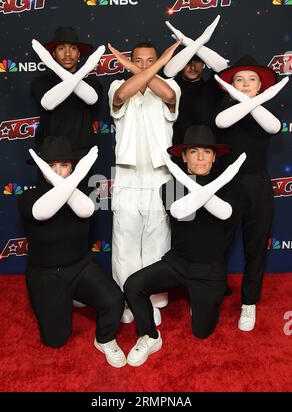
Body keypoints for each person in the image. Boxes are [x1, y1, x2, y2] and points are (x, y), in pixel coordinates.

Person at [123, 125, 246, 367]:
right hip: (177, 263)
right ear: (183, 156)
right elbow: (181, 211)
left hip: (210, 270)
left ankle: (203, 299)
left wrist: (218, 180)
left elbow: (224, 212)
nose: (200, 157)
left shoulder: (232, 185)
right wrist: (185, 178)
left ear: (214, 156)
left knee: (202, 332)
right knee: (133, 285)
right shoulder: (171, 186)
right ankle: (150, 336)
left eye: (207, 151)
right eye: (193, 151)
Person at [18, 136, 126, 368]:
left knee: (115, 301)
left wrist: (71, 179)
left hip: (80, 267)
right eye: (50, 165)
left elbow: (86, 211)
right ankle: (67, 298)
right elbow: (42, 212)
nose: (57, 171)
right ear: (40, 167)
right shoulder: (29, 197)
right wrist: (79, 172)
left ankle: (104, 340)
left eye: (64, 165)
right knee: (55, 341)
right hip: (46, 276)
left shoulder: (83, 193)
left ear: (72, 166)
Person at [107, 40, 182, 324]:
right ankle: (127, 299)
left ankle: (151, 298)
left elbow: (166, 94)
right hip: (127, 177)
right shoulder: (117, 86)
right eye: (137, 61)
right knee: (124, 242)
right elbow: (124, 93)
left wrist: (154, 69)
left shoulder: (172, 86)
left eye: (151, 60)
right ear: (130, 62)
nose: (144, 65)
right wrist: (149, 66)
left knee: (158, 241)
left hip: (162, 177)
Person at [214, 55, 289, 331]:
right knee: (219, 244)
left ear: (259, 86)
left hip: (258, 185)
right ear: (231, 85)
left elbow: (273, 127)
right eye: (239, 81)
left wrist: (256, 100)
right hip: (227, 185)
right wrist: (240, 96)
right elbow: (222, 123)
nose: (245, 85)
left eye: (251, 80)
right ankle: (212, 294)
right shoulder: (223, 108)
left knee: (256, 248)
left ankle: (248, 303)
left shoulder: (264, 113)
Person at [31, 27, 104, 158]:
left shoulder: (92, 84)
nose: (68, 54)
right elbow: (48, 104)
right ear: (53, 54)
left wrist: (51, 64)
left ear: (79, 53)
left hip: (82, 154)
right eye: (61, 48)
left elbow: (91, 98)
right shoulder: (40, 82)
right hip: (50, 154)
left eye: (73, 48)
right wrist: (86, 67)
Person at [163, 17, 228, 146]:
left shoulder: (213, 86)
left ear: (204, 64)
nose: (192, 66)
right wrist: (201, 40)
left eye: (197, 61)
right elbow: (168, 72)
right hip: (178, 152)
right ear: (181, 63)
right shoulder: (171, 85)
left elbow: (222, 67)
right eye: (187, 61)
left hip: (209, 154)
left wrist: (188, 42)